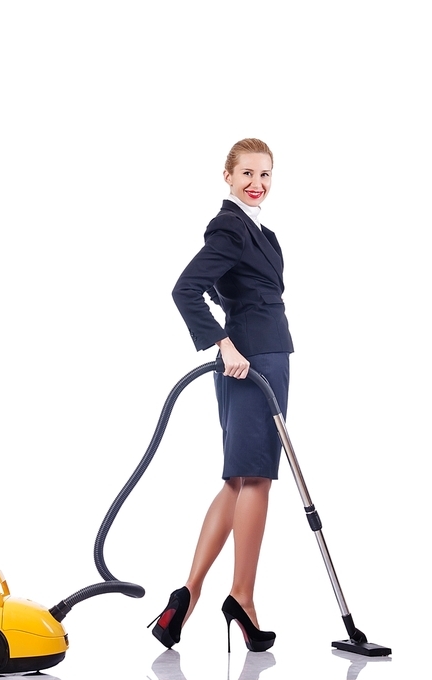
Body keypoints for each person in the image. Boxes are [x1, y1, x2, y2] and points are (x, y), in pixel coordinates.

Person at [148, 138, 294, 652]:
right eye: (248, 173)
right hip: (253, 362)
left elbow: (228, 287)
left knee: (239, 479)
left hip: (257, 357)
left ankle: (186, 597)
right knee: (256, 480)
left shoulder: (260, 232)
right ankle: (243, 600)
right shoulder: (231, 226)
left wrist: (229, 319)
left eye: (267, 174)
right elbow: (186, 288)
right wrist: (224, 342)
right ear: (228, 176)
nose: (258, 183)